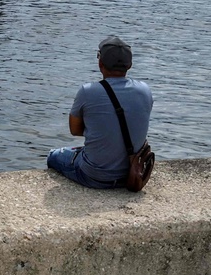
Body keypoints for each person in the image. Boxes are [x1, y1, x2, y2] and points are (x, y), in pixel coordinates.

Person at [47, 36, 153, 188]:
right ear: (129, 65)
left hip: (94, 176)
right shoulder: (145, 90)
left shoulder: (88, 91)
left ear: (100, 63)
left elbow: (75, 130)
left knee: (53, 156)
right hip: (131, 172)